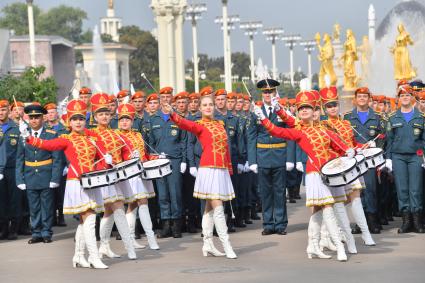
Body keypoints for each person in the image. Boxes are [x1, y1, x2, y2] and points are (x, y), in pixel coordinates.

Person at [253, 89, 351, 261]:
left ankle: (312, 246)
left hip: (328, 173)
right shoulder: (299, 131)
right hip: (315, 174)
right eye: (300, 109)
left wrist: (350, 152)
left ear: (315, 111)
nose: (304, 110)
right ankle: (339, 248)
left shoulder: (325, 129)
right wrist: (264, 118)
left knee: (318, 211)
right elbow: (278, 131)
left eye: (307, 108)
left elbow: (339, 145)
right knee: (328, 207)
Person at [20, 99, 110, 269]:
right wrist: (28, 138)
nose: (78, 122)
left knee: (85, 221)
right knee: (89, 219)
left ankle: (78, 256)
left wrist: (106, 161)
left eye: (81, 118)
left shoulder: (93, 137)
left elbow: (102, 158)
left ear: (85, 120)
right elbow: (47, 144)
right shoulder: (65, 139)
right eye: (74, 119)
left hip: (93, 182)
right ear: (69, 121)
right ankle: (93, 257)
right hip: (77, 183)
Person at [164, 94, 237, 259]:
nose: (208, 107)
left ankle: (207, 245)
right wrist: (172, 114)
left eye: (211, 104)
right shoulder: (199, 125)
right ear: (200, 108)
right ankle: (227, 245)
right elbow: (184, 123)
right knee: (218, 207)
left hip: (221, 169)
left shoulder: (220, 124)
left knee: (209, 208)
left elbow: (226, 148)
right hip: (208, 169)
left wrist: (228, 168)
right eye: (205, 105)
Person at [320, 86, 377, 252]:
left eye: (335, 105)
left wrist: (364, 146)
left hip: (350, 166)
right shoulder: (323, 125)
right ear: (325, 108)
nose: (333, 108)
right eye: (329, 106)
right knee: (335, 203)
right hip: (334, 167)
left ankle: (366, 234)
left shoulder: (346, 123)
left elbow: (352, 144)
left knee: (356, 197)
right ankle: (336, 236)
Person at [88, 93, 137, 260]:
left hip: (118, 176)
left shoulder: (117, 134)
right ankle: (130, 248)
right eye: (100, 114)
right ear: (95, 116)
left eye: (107, 114)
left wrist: (132, 155)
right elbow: (86, 157)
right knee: (118, 209)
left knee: (108, 212)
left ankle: (104, 246)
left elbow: (126, 151)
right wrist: (101, 160)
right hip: (103, 177)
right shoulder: (91, 135)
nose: (104, 117)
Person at [115, 103, 160, 250]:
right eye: (122, 119)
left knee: (134, 204)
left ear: (132, 121)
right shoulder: (116, 136)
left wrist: (155, 158)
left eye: (127, 119)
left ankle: (131, 237)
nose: (124, 122)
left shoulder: (138, 135)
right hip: (129, 174)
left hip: (141, 172)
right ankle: (150, 237)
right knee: (142, 201)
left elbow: (145, 154)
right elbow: (117, 157)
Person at [15, 104, 62, 244]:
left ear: (43, 118)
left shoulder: (51, 134)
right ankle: (36, 232)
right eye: (31, 117)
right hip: (30, 176)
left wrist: (55, 178)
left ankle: (46, 232)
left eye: (37, 117)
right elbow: (19, 158)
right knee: (33, 206)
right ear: (28, 119)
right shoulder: (23, 134)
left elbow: (57, 158)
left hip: (46, 175)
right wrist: (19, 179)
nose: (34, 120)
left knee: (47, 206)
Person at [247, 79, 288, 235]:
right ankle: (268, 224)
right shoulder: (256, 112)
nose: (268, 94)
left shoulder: (281, 110)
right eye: (265, 92)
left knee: (279, 191)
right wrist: (252, 161)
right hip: (263, 156)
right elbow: (251, 137)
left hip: (279, 155)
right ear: (261, 94)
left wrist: (290, 158)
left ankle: (280, 224)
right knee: (265, 192)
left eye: (270, 91)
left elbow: (290, 133)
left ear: (275, 92)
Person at [344, 87, 387, 234]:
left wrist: (377, 145)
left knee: (371, 189)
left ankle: (372, 219)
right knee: (357, 190)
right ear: (355, 99)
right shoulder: (347, 117)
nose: (362, 98)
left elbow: (384, 136)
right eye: (359, 96)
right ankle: (360, 222)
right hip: (355, 159)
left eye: (365, 96)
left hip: (370, 159)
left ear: (369, 99)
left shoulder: (378, 117)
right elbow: (344, 137)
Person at [384, 85, 425, 233]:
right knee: (402, 189)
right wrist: (388, 159)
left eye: (408, 95)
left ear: (412, 97)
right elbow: (389, 140)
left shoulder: (421, 117)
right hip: (398, 156)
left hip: (416, 156)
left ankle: (417, 221)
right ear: (399, 99)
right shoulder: (393, 117)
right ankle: (406, 221)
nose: (405, 97)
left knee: (416, 188)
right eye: (402, 95)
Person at [148, 87, 187, 238]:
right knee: (163, 194)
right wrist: (154, 158)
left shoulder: (177, 117)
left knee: (175, 193)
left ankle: (176, 225)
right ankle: (165, 225)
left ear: (172, 98)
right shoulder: (154, 119)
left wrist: (183, 161)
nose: (165, 99)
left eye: (168, 96)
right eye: (162, 97)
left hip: (175, 160)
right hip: (159, 162)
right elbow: (150, 143)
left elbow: (183, 141)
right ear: (159, 99)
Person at [0, 100, 21, 240]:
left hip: (13, 169)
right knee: (1, 200)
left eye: (3, 110)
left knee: (14, 200)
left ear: (9, 111)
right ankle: (3, 228)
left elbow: (21, 151)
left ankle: (14, 228)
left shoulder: (16, 128)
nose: (1, 113)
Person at [44, 102, 68, 227]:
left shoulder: (64, 129)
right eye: (48, 113)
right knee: (49, 192)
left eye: (53, 112)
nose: (50, 115)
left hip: (62, 165)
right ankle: (52, 216)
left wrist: (67, 165)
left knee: (60, 191)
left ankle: (61, 215)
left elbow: (68, 148)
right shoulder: (43, 129)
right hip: (48, 164)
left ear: (57, 114)